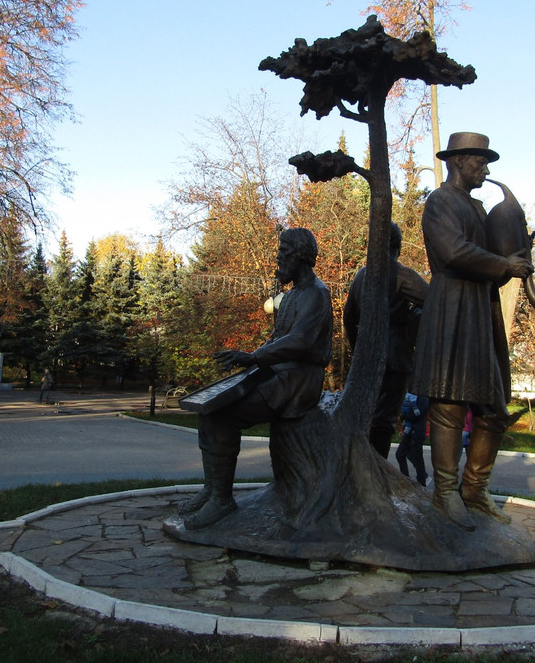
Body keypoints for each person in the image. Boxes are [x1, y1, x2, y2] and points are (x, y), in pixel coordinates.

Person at [411, 132, 533, 530]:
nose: (485, 169)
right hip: (452, 307)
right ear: (459, 161)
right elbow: (454, 252)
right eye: (480, 162)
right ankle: (446, 493)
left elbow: (488, 265)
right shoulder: (441, 201)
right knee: (448, 404)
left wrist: (510, 260)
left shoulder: (477, 207)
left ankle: (474, 491)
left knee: (494, 408)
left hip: (482, 309)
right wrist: (502, 266)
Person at [179, 228, 333, 531]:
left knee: (224, 416)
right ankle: (213, 490)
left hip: (298, 382)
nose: (278, 259)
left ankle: (222, 501)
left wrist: (255, 357)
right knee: (210, 411)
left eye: (283, 253)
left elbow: (301, 341)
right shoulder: (290, 297)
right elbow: (277, 339)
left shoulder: (317, 293)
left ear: (300, 256)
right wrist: (249, 357)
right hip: (279, 373)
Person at [343, 222, 429, 458]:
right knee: (383, 420)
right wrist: (415, 318)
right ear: (398, 247)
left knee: (366, 415)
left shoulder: (361, 274)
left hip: (366, 357)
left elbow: (348, 317)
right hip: (395, 358)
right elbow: (434, 301)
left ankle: (362, 469)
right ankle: (375, 470)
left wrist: (357, 348)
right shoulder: (401, 274)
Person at [395, 392, 429, 485]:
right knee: (400, 454)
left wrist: (404, 415)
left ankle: (422, 482)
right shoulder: (412, 395)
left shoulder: (423, 398)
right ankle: (406, 479)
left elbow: (417, 415)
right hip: (409, 431)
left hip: (417, 432)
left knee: (417, 458)